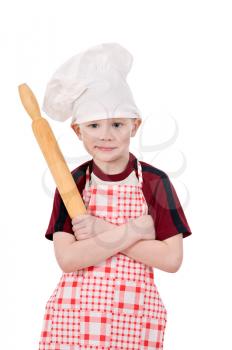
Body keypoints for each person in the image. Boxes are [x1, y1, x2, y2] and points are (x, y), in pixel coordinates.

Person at [38, 43, 192, 350]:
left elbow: (171, 259)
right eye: (93, 125)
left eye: (117, 124)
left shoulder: (154, 182)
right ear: (77, 131)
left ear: (135, 126)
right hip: (74, 321)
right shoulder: (72, 183)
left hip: (134, 320)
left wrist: (100, 231)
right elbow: (68, 259)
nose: (105, 135)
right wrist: (134, 230)